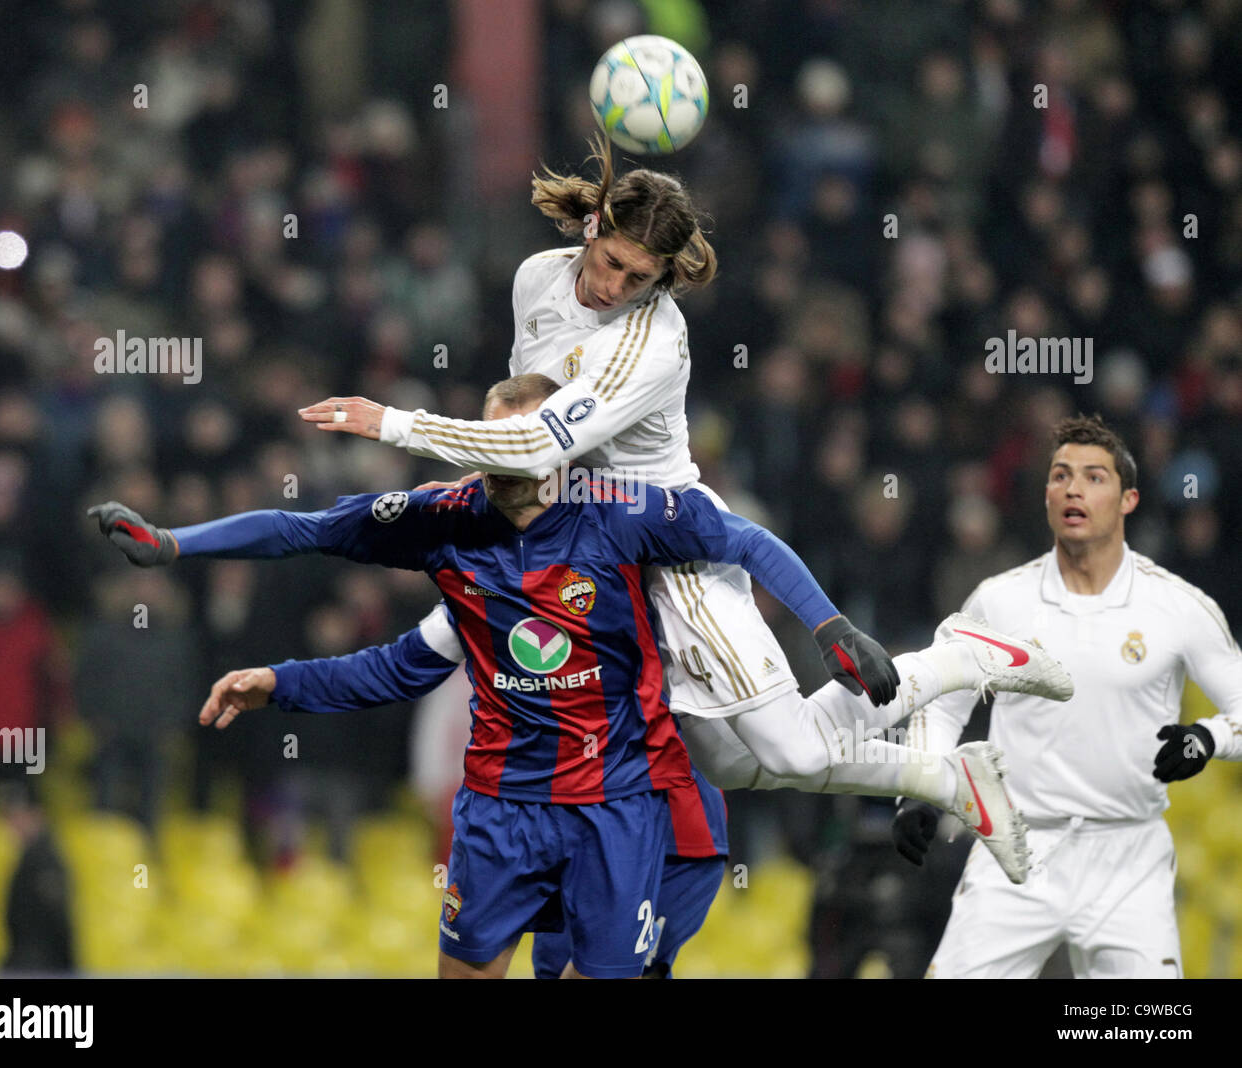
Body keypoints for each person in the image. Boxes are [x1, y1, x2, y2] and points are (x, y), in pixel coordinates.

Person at [92, 373, 1073, 974]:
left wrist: (824, 622)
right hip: (500, 814)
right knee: (767, 758)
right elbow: (328, 569)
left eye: (539, 438)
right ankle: (943, 735)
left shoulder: (626, 515)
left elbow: (744, 538)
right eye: (500, 438)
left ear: (565, 447)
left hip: (623, 813)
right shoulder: (447, 529)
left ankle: (946, 690)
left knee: (772, 750)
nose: (519, 456)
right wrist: (179, 547)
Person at [291, 137, 926, 806]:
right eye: (613, 263)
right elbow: (521, 415)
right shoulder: (536, 277)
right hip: (589, 542)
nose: (615, 287)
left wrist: (395, 423)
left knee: (790, 749)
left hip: (666, 543)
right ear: (594, 229)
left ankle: (956, 665)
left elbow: (537, 445)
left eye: (638, 279)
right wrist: (478, 489)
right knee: (729, 765)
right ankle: (943, 775)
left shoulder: (650, 340)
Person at [195, 601, 730, 979]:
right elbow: (393, 668)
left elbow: (748, 558)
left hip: (663, 830)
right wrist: (284, 682)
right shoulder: (477, 581)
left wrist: (801, 752)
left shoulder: (646, 553)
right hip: (529, 820)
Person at [892, 414, 1242, 979]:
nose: (1073, 488)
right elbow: (941, 700)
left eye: (1094, 477)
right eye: (1060, 475)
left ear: (1129, 499)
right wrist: (921, 789)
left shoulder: (1178, 606)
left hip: (1128, 857)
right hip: (1015, 849)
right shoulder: (999, 602)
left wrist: (1208, 736)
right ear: (1047, 495)